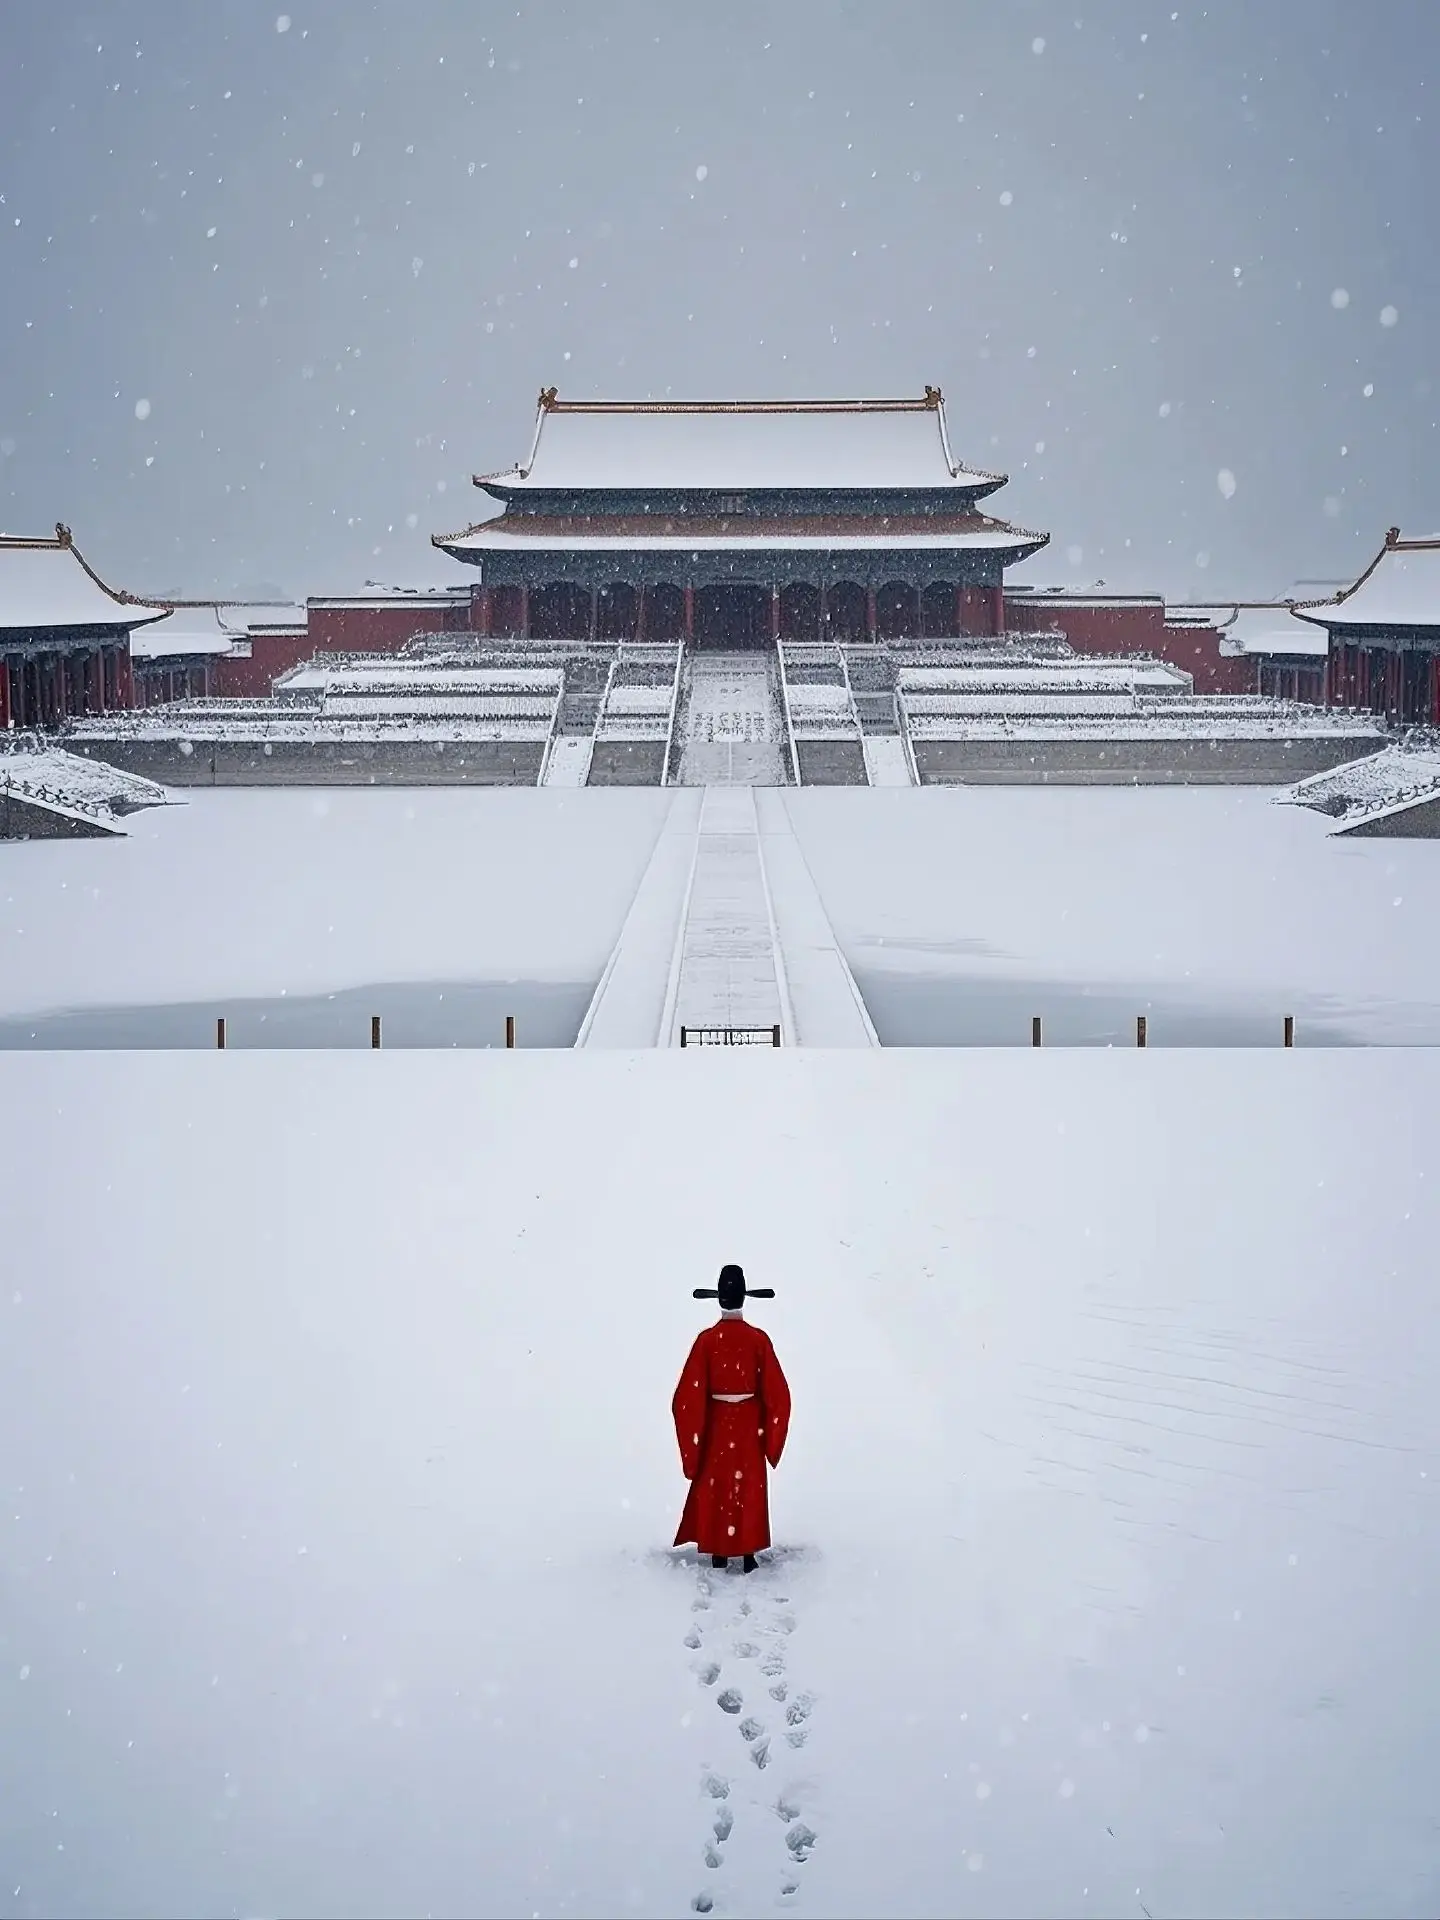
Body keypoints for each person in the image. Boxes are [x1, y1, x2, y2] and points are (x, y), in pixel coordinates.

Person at [672, 1263, 791, 1573]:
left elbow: (685, 1398)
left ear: (718, 1300)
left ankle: (719, 1551)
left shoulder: (707, 1340)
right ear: (744, 1299)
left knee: (718, 1485)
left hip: (715, 1424)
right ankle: (748, 1550)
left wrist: (695, 1432)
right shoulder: (758, 1340)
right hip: (750, 1425)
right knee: (748, 1486)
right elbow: (779, 1396)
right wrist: (771, 1436)